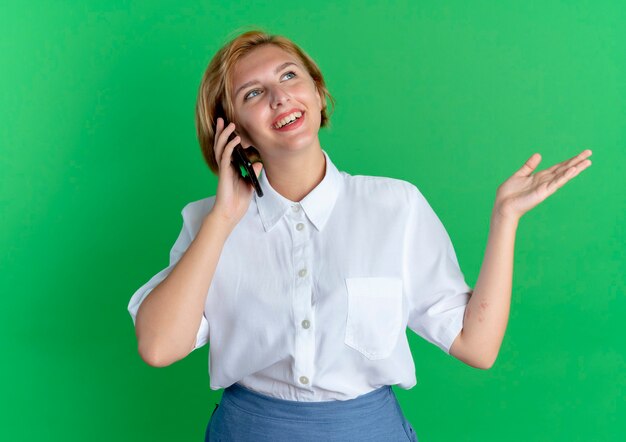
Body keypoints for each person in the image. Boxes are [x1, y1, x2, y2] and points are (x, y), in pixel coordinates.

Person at [127, 29, 592, 441]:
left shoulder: (397, 206)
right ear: (234, 133)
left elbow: (477, 346)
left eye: (289, 76)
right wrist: (222, 220)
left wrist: (505, 219)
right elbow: (158, 347)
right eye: (253, 93)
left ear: (317, 91)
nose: (279, 97)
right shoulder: (207, 221)